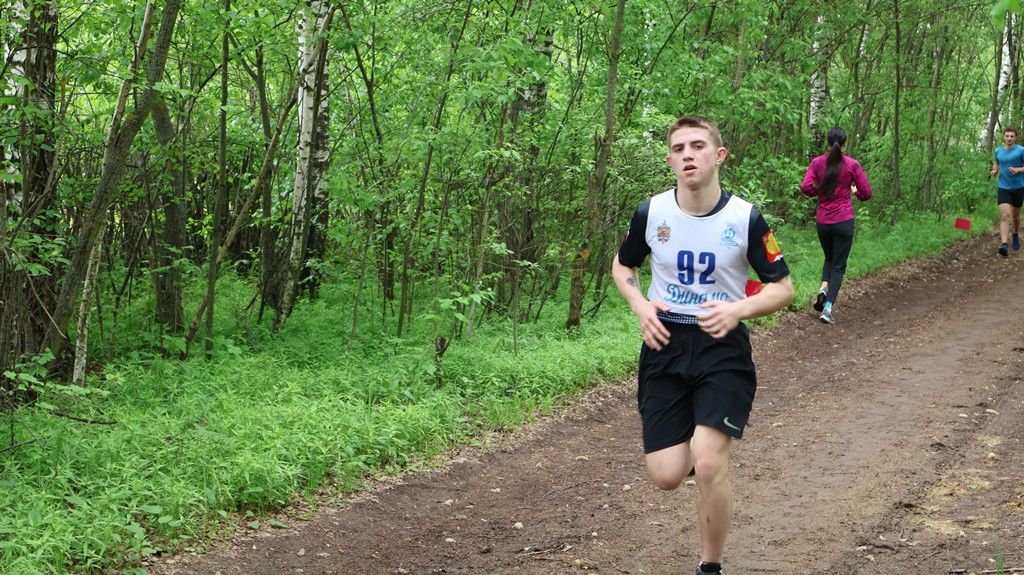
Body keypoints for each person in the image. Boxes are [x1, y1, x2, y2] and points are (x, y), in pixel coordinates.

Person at [611, 116, 793, 575]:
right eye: (678, 149)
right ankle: (698, 445)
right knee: (666, 475)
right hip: (664, 342)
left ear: (719, 155)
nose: (688, 155)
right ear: (669, 160)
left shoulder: (745, 218)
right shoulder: (651, 213)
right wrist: (640, 304)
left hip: (721, 346)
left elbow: (783, 288)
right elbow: (623, 265)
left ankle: (710, 565)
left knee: (709, 463)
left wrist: (737, 310)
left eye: (697, 146)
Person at [800, 126, 872, 325]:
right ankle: (828, 309)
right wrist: (854, 191)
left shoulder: (817, 163)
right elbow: (866, 194)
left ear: (827, 142)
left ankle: (824, 287)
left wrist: (820, 190)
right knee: (839, 266)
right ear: (845, 143)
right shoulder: (852, 165)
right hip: (844, 220)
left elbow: (805, 186)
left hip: (823, 221)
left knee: (829, 258)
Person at [990, 126, 1024, 256]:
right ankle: (1004, 244)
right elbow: (997, 162)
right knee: (1005, 215)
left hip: (1018, 187)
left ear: (1016, 138)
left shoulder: (1021, 150)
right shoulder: (998, 150)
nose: (1009, 138)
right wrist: (994, 171)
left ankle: (1015, 234)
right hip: (1003, 187)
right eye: (1007, 136)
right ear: (1003, 137)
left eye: (1012, 136)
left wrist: (1018, 170)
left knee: (1016, 217)